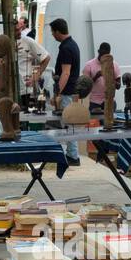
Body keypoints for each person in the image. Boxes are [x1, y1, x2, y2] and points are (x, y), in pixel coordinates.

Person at [49, 17, 81, 164]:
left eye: (52, 32)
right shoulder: (72, 44)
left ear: (57, 31)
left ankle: (72, 155)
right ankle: (71, 154)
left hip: (67, 91)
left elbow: (66, 73)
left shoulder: (66, 48)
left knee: (68, 123)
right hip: (71, 90)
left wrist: (57, 93)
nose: (52, 35)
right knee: (69, 123)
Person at [82, 41, 121, 117]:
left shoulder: (114, 65)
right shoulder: (89, 65)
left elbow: (118, 86)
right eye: (102, 54)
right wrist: (96, 76)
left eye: (107, 55)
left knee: (110, 123)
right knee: (96, 124)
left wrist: (110, 78)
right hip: (95, 102)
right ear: (98, 51)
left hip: (110, 100)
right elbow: (85, 86)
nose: (104, 57)